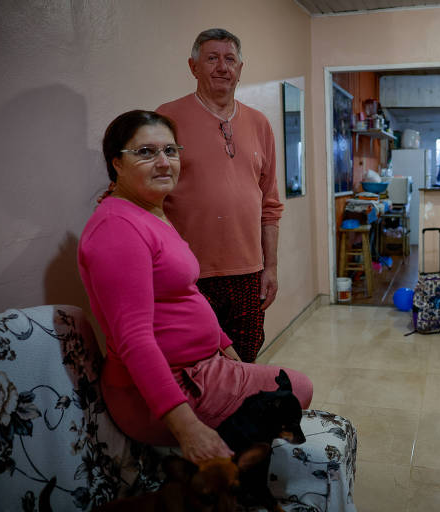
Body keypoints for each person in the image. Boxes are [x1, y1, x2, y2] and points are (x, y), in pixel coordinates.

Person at [78, 110, 312, 464]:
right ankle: (222, 477)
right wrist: (187, 429)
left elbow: (183, 292)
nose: (163, 162)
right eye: (145, 152)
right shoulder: (117, 229)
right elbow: (134, 340)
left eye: (170, 151)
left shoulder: (150, 211)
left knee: (287, 388)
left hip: (198, 368)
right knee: (297, 389)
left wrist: (224, 345)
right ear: (117, 164)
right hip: (162, 389)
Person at [157, 28, 281, 363]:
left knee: (245, 358)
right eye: (212, 58)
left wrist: (270, 267)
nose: (222, 67)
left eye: (230, 59)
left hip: (248, 272)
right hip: (189, 274)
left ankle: (238, 417)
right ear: (193, 66)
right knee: (195, 363)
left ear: (241, 68)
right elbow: (151, 195)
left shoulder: (259, 123)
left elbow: (270, 205)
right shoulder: (167, 118)